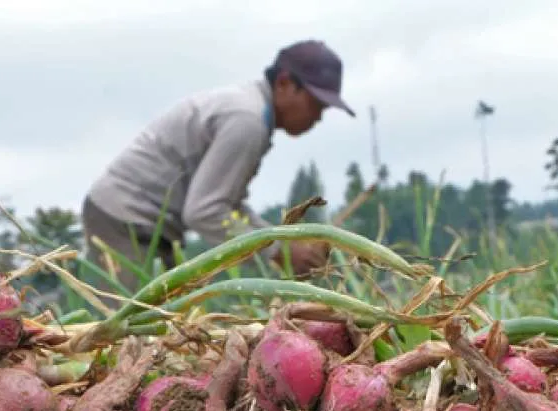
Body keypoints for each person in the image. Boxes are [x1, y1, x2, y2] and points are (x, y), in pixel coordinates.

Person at [81, 39, 354, 285]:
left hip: (141, 223)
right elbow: (204, 211)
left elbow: (227, 207)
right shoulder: (246, 121)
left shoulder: (250, 112)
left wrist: (283, 242)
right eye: (316, 104)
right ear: (284, 83)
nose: (318, 116)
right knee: (136, 329)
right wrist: (278, 251)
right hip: (125, 219)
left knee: (171, 325)